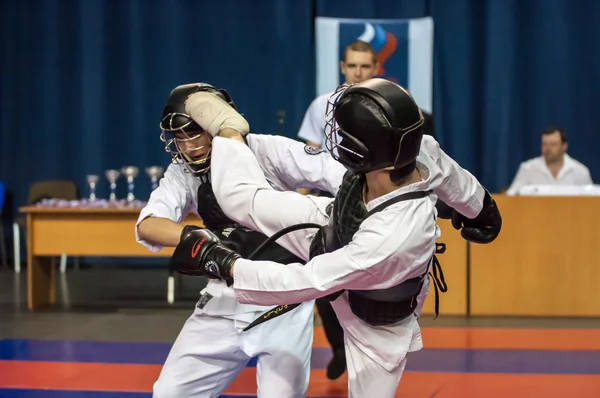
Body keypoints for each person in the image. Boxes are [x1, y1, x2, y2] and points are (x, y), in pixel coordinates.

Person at [169, 78, 503, 397]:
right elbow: (453, 176)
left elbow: (305, 281)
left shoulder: (391, 240)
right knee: (238, 198)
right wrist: (481, 208)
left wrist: (226, 265)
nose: (337, 137)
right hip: (334, 227)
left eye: (345, 134)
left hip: (375, 319)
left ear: (364, 153)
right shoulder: (417, 149)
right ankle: (228, 126)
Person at [136, 83, 346, 398]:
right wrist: (199, 240)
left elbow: (336, 172)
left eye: (195, 134)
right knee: (170, 394)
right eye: (180, 137)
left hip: (284, 300)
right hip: (223, 298)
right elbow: (148, 225)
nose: (188, 146)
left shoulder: (266, 149)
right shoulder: (183, 172)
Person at [296, 39, 379, 378]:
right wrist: (297, 200)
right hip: (329, 200)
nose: (359, 72)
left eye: (365, 66)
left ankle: (367, 352)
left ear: (375, 68)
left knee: (369, 280)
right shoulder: (322, 105)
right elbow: (308, 155)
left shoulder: (389, 103)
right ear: (343, 68)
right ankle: (339, 346)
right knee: (323, 278)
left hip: (375, 200)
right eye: (353, 66)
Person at [506, 127, 592, 195]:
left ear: (564, 146)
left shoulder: (580, 171)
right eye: (544, 144)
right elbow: (511, 196)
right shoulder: (528, 169)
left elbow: (591, 200)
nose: (548, 149)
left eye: (553, 144)